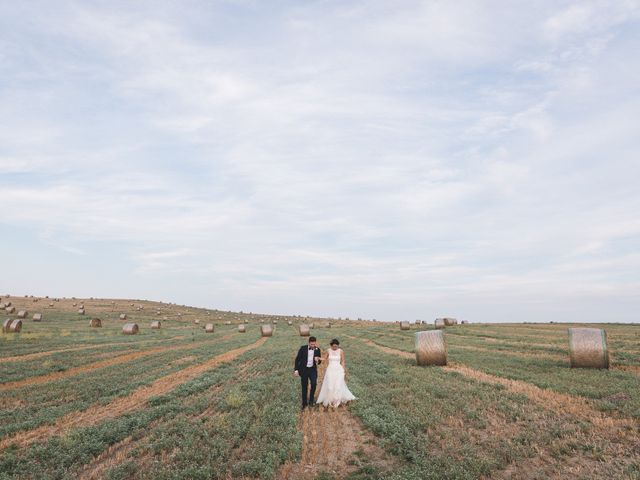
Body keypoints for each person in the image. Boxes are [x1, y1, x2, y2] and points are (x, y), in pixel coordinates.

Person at [316, 338, 356, 408]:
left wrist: (343, 370)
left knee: (337, 386)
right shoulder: (328, 350)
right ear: (331, 346)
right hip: (330, 370)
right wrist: (319, 358)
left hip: (338, 370)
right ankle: (329, 400)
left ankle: (336, 402)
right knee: (330, 386)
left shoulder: (341, 351)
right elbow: (324, 359)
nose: (335, 347)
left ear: (338, 345)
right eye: (333, 346)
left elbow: (343, 361)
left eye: (336, 346)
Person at [294, 336, 322, 409]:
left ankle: (311, 401)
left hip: (312, 369)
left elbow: (319, 362)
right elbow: (297, 359)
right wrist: (296, 370)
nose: (313, 346)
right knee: (304, 386)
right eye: (311, 344)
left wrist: (317, 360)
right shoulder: (303, 348)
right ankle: (304, 403)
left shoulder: (317, 349)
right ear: (309, 343)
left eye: (314, 344)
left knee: (314, 384)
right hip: (304, 370)